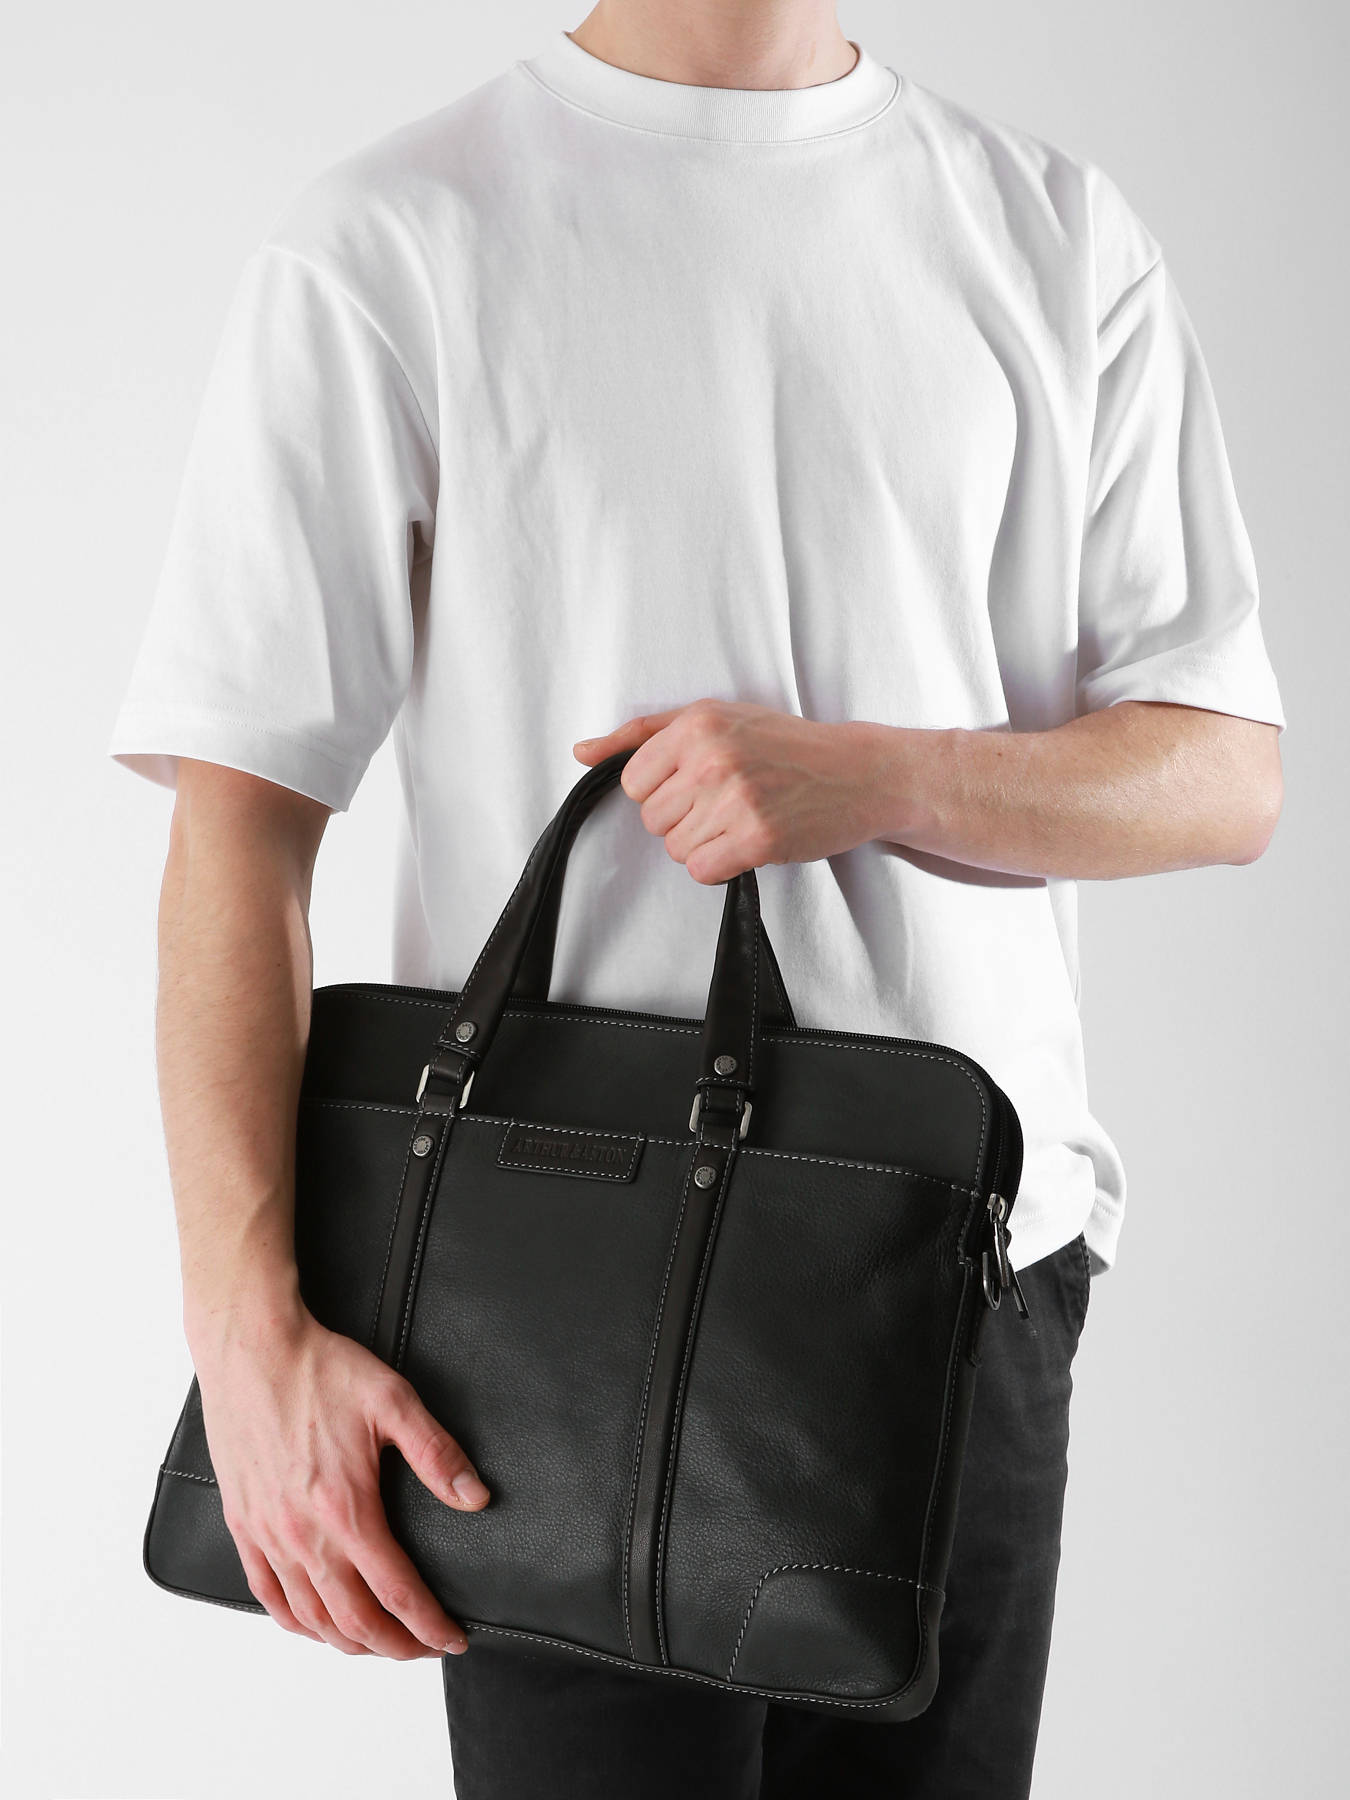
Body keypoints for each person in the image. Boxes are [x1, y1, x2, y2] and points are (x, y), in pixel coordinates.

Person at [107, 3, 1286, 1795]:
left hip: (962, 1273)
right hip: (556, 1295)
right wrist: (245, 1337)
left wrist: (876, 777)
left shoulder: (1054, 229)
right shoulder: (396, 236)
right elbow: (238, 831)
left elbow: (1223, 774)